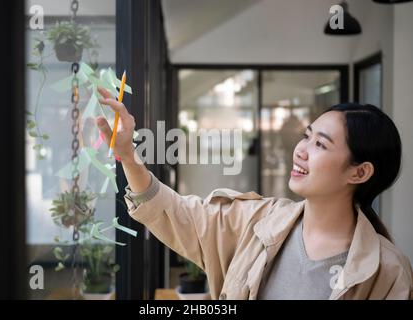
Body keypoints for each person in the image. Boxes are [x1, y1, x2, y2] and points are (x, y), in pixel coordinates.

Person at [96, 87, 412, 300]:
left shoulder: (387, 270)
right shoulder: (257, 221)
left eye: (320, 144)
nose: (301, 150)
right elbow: (175, 213)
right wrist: (127, 153)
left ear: (359, 172)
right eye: (307, 136)